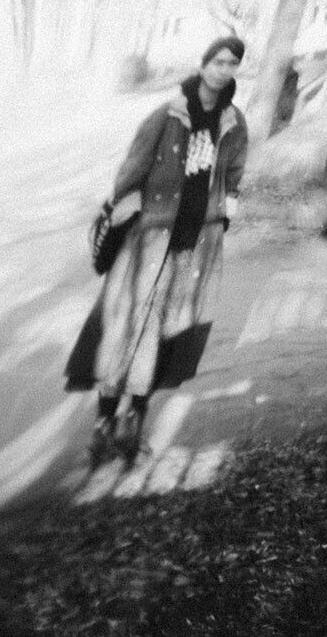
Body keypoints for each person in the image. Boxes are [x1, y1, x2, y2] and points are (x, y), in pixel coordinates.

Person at [66, 36, 249, 467]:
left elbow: (234, 175)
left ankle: (134, 420)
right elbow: (131, 172)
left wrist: (223, 216)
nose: (224, 70)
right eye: (218, 61)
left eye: (232, 64)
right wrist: (128, 211)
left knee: (166, 331)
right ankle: (104, 422)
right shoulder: (167, 115)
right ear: (203, 64)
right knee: (127, 325)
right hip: (149, 239)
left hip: (195, 244)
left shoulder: (234, 122)